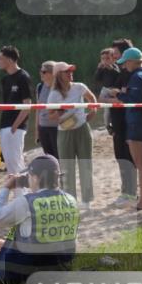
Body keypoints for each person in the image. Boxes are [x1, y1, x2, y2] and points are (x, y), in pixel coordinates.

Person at [0, 155, 78, 284]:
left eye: (29, 176)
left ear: (35, 178)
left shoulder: (27, 202)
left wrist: (6, 188)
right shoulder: (71, 200)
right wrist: (25, 185)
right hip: (60, 270)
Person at [47, 62, 98, 209]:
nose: (70, 73)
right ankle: (71, 201)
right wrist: (61, 111)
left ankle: (87, 200)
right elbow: (50, 116)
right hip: (65, 132)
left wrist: (93, 111)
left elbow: (91, 97)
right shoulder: (54, 94)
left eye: (71, 71)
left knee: (85, 164)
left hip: (82, 128)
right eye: (66, 72)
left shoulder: (79, 86)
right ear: (58, 75)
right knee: (67, 167)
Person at [114, 48, 142, 209]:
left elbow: (133, 100)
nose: (124, 66)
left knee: (141, 164)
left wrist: (119, 94)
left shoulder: (137, 77)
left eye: (125, 63)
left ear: (131, 62)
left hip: (136, 122)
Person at [101, 39, 138, 206]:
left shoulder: (130, 75)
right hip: (117, 122)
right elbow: (104, 96)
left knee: (128, 158)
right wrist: (111, 97)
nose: (114, 58)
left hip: (126, 122)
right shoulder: (119, 73)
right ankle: (126, 192)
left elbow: (122, 98)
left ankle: (131, 194)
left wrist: (111, 97)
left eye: (116, 54)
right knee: (121, 157)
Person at [0, 46, 32, 184]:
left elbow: (27, 105)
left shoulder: (23, 77)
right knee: (10, 164)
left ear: (9, 60)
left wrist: (15, 127)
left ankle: (23, 196)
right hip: (4, 125)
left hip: (16, 127)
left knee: (17, 162)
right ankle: (18, 197)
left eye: (0, 58)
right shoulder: (5, 80)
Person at [35, 61, 59, 158]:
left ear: (53, 73)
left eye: (44, 72)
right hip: (43, 127)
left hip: (57, 128)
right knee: (49, 157)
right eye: (40, 71)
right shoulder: (39, 87)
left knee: (59, 156)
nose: (41, 74)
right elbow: (38, 109)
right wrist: (37, 131)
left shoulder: (59, 87)